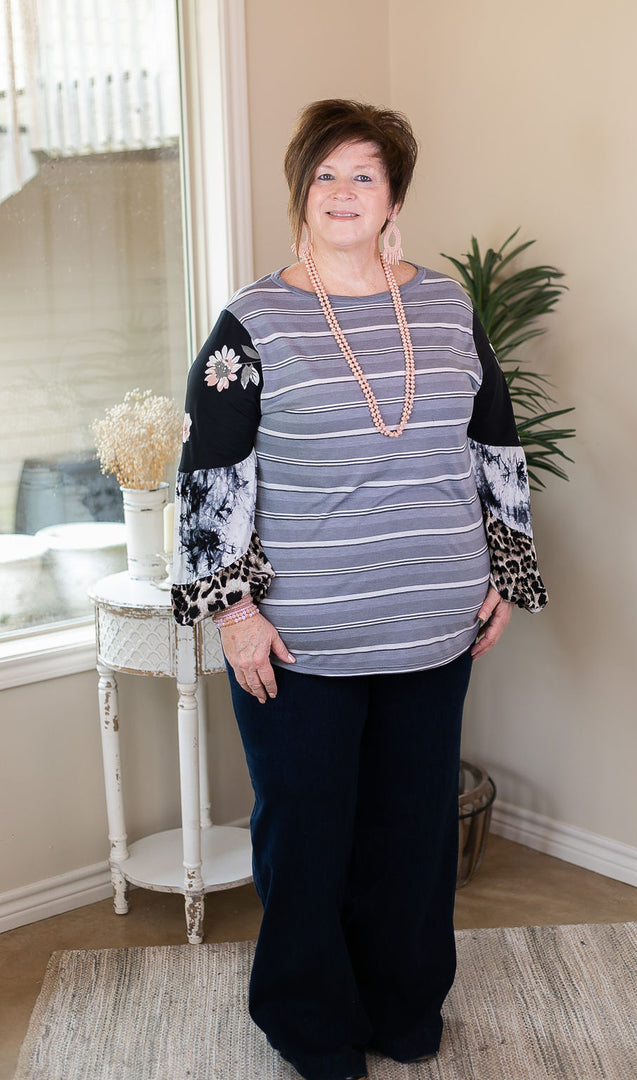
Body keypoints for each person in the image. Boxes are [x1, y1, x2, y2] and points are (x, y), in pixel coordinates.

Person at [172, 99, 547, 1080]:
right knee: (308, 837)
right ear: (301, 192)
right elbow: (209, 483)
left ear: (394, 198)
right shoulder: (249, 325)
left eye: (366, 176)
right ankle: (309, 1022)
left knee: (413, 834)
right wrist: (236, 617)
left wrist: (505, 568)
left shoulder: (447, 307)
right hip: (302, 642)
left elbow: (493, 443)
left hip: (435, 625)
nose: (345, 193)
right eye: (327, 175)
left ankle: (402, 1006)